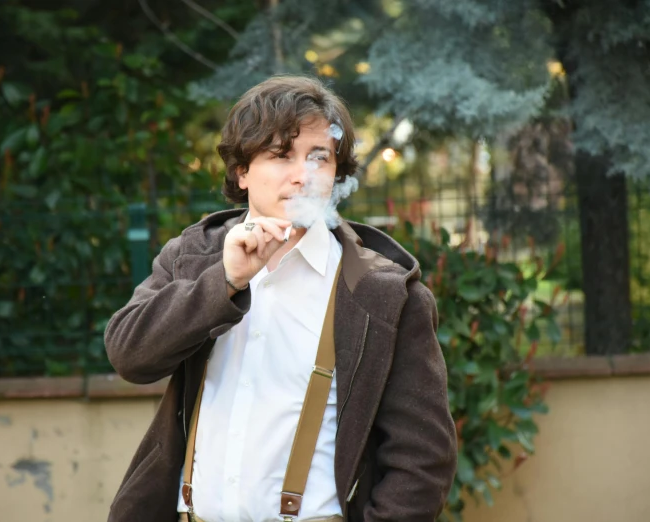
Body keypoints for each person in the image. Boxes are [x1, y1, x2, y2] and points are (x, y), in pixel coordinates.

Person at [104, 75, 457, 522]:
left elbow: (422, 459)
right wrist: (225, 282)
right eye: (280, 155)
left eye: (319, 157)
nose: (302, 175)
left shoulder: (383, 293)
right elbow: (129, 356)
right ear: (242, 171)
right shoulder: (193, 257)